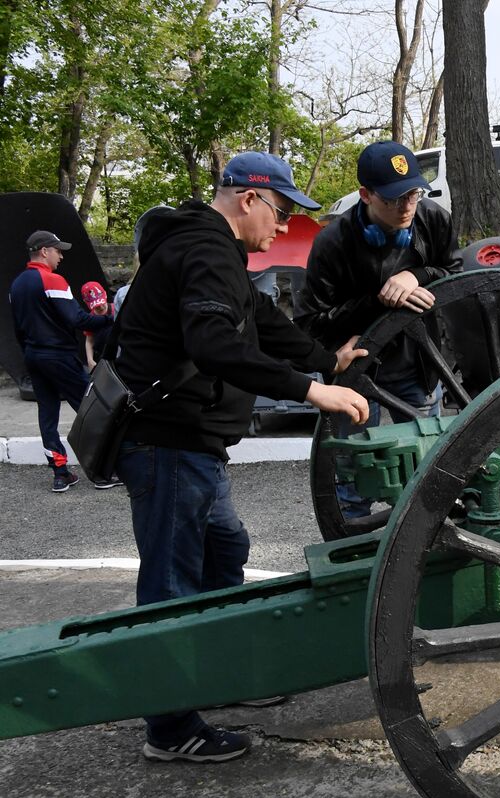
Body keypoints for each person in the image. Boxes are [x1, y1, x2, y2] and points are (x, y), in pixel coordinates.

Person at [112, 151, 370, 763]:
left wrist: (324, 359)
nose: (284, 229)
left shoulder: (216, 251)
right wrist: (312, 391)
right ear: (249, 199)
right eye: (281, 213)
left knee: (225, 550)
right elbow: (214, 341)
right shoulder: (204, 250)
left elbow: (261, 323)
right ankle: (171, 729)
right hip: (169, 444)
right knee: (172, 585)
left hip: (193, 445)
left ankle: (222, 673)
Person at [299, 140, 462, 422]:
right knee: (358, 460)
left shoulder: (434, 220)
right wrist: (378, 300)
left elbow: (457, 277)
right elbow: (310, 322)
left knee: (425, 455)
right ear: (366, 195)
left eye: (413, 195)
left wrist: (418, 275)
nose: (406, 207)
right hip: (354, 367)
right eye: (394, 199)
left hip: (418, 364)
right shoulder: (332, 243)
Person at [7, 231, 117, 492]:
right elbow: (78, 320)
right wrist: (112, 318)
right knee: (91, 410)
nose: (61, 255)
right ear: (44, 251)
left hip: (34, 357)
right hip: (59, 357)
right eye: (57, 250)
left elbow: (18, 330)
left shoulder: (17, 285)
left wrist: (31, 354)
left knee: (47, 415)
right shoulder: (52, 280)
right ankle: (102, 472)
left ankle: (60, 473)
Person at [79, 280, 112, 370]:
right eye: (96, 307)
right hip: (104, 354)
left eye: (102, 304)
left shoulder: (115, 308)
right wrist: (90, 359)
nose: (101, 307)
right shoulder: (90, 319)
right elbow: (89, 340)